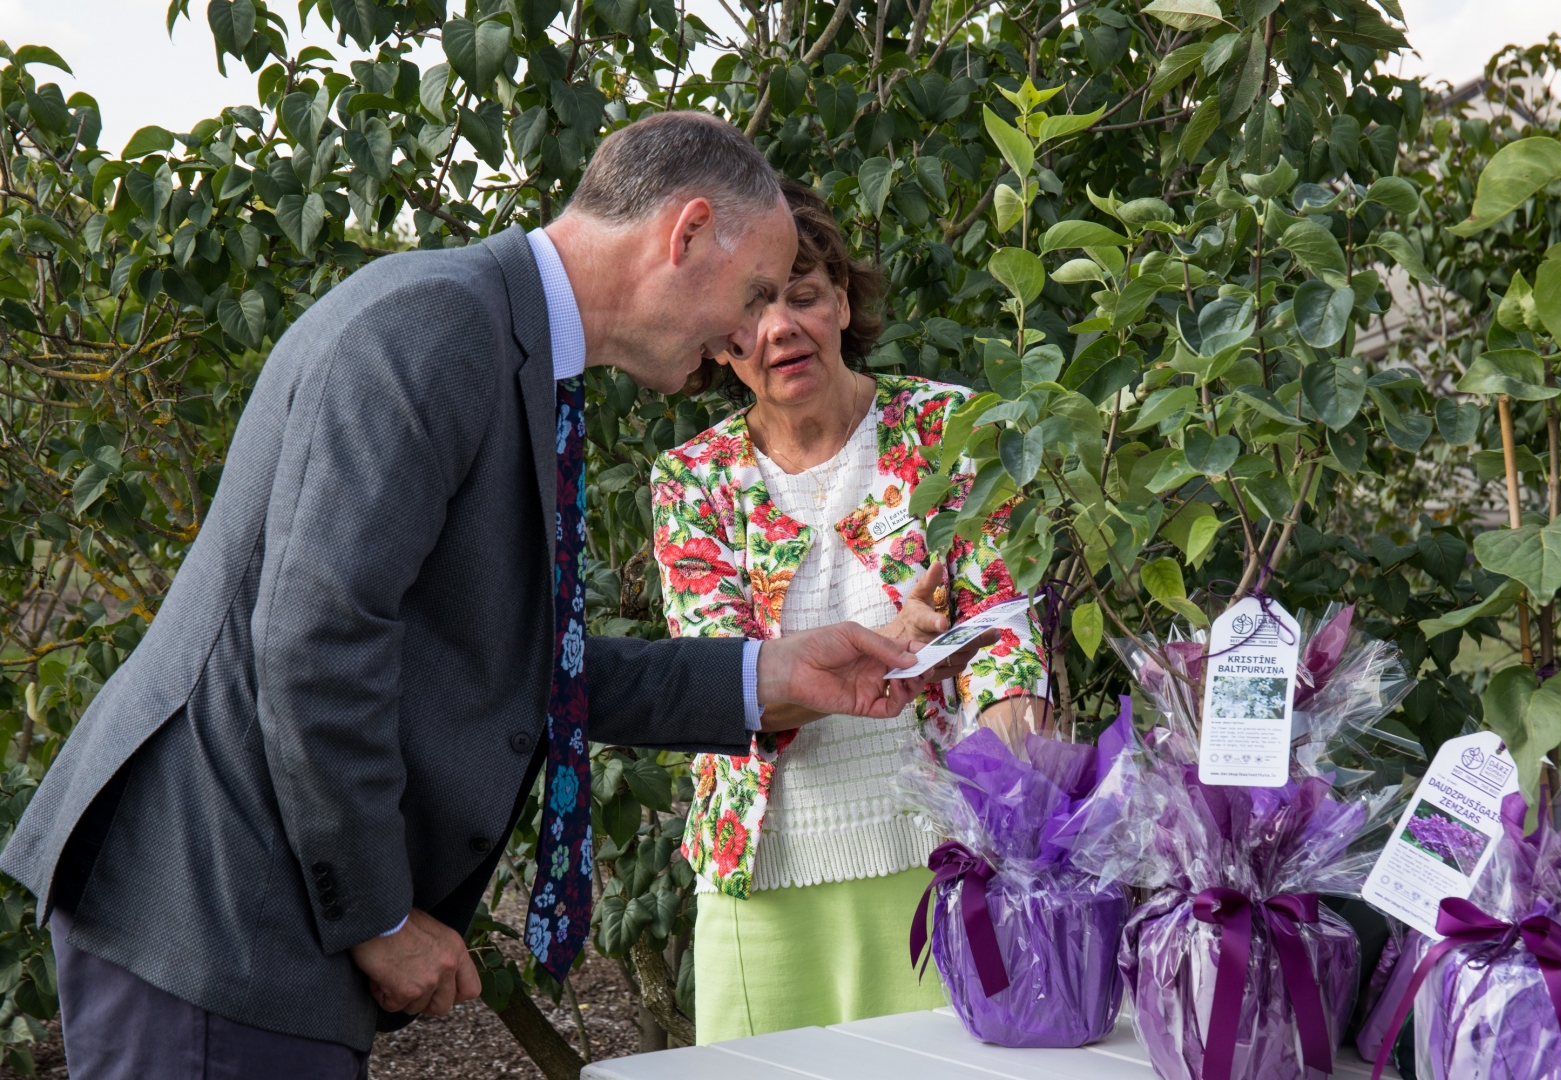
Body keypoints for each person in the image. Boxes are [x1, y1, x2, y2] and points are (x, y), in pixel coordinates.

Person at [0, 113, 940, 1078]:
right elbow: (315, 641)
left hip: (250, 929)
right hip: (214, 917)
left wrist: (765, 676)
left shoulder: (499, 342)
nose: (746, 335)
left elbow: (513, 659)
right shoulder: (438, 328)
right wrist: (377, 915)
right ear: (687, 233)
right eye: (751, 294)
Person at [650, 182, 1049, 1044]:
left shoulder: (949, 427)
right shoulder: (693, 482)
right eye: (750, 308)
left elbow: (1006, 628)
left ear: (839, 301)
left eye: (802, 294)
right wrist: (888, 645)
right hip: (764, 886)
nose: (780, 328)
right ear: (718, 339)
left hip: (942, 867)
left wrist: (1013, 778)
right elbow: (724, 685)